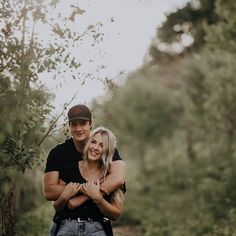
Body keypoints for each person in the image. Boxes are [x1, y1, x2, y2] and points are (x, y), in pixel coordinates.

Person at [43, 104, 125, 235]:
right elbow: (49, 192)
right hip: (66, 224)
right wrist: (86, 189)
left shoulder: (106, 150)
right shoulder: (58, 154)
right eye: (74, 124)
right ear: (69, 126)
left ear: (91, 124)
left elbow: (118, 179)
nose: (78, 128)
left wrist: (82, 198)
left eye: (83, 123)